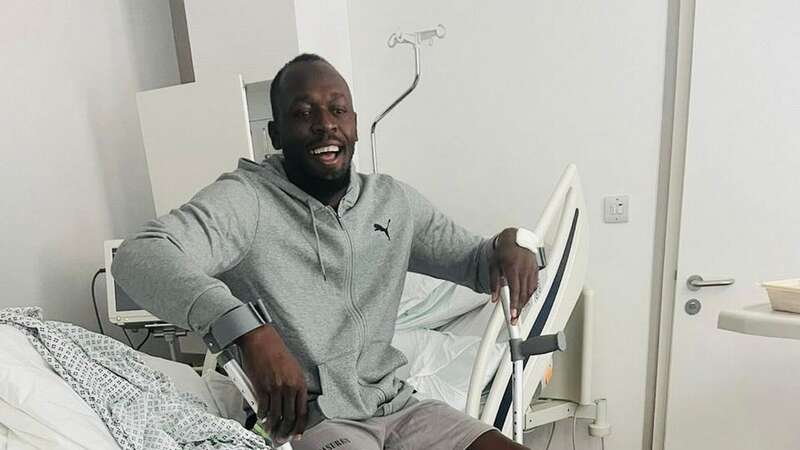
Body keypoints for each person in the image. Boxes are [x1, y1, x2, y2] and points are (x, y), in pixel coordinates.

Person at [112, 53, 539, 450]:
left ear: (353, 124)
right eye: (303, 113)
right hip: (311, 418)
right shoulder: (247, 201)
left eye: (338, 110)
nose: (324, 125)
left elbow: (479, 264)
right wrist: (247, 329)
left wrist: (512, 241)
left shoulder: (393, 203)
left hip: (398, 406)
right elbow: (138, 255)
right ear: (276, 133)